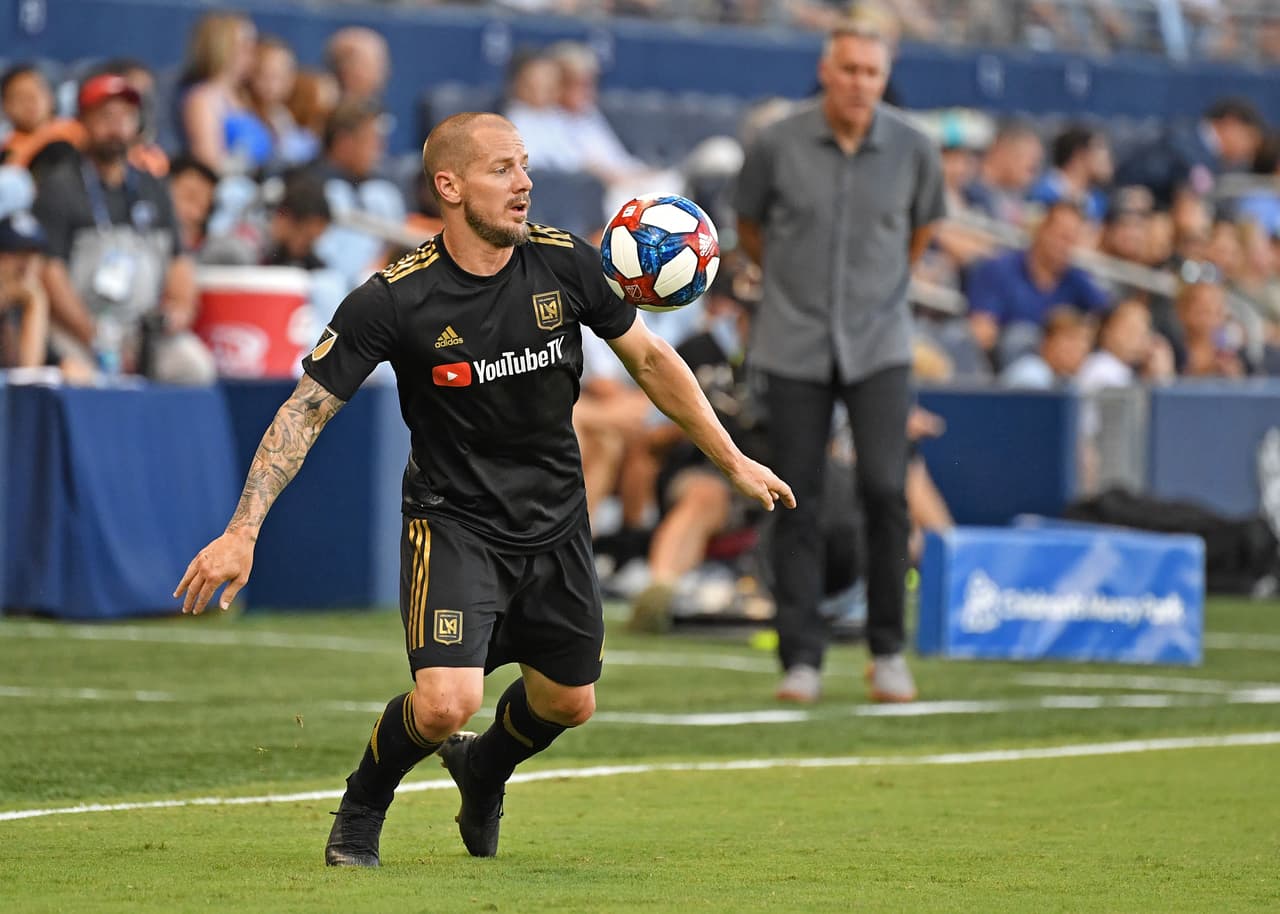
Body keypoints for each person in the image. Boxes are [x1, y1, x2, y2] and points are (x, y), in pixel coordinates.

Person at [173, 111, 793, 866]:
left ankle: (484, 767)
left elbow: (653, 362)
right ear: (450, 185)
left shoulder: (568, 264)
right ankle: (364, 804)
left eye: (525, 166)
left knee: (569, 702)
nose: (525, 182)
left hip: (556, 522)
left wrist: (733, 461)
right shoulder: (392, 300)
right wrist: (244, 529)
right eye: (502, 168)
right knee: (444, 704)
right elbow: (304, 412)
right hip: (454, 522)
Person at [735, 20, 945, 704]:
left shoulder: (915, 148)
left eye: (872, 73)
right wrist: (790, 294)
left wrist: (874, 297)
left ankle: (887, 651)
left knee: (887, 489)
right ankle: (802, 659)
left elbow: (920, 232)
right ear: (826, 71)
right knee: (796, 496)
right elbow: (749, 226)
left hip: (881, 343)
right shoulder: (775, 143)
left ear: (885, 79)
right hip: (792, 341)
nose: (859, 83)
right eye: (849, 70)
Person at [32, 73, 214, 384]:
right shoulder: (59, 187)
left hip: (139, 330)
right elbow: (50, 273)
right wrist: (94, 335)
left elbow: (178, 259)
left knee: (193, 367)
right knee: (81, 378)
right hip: (76, 326)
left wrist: (180, 310)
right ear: (83, 121)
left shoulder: (152, 186)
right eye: (106, 116)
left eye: (126, 117)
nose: (116, 127)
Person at [966, 201, 1110, 366]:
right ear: (1042, 230)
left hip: (1063, 372)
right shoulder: (1000, 268)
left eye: (1072, 240)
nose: (1064, 246)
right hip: (1008, 366)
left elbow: (1108, 314)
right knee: (1020, 337)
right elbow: (982, 329)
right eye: (1061, 236)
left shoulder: (1076, 279)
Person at [0, 210, 51, 368]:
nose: (26, 265)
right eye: (17, 254)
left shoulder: (24, 303)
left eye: (33, 255)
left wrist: (37, 302)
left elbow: (28, 375)